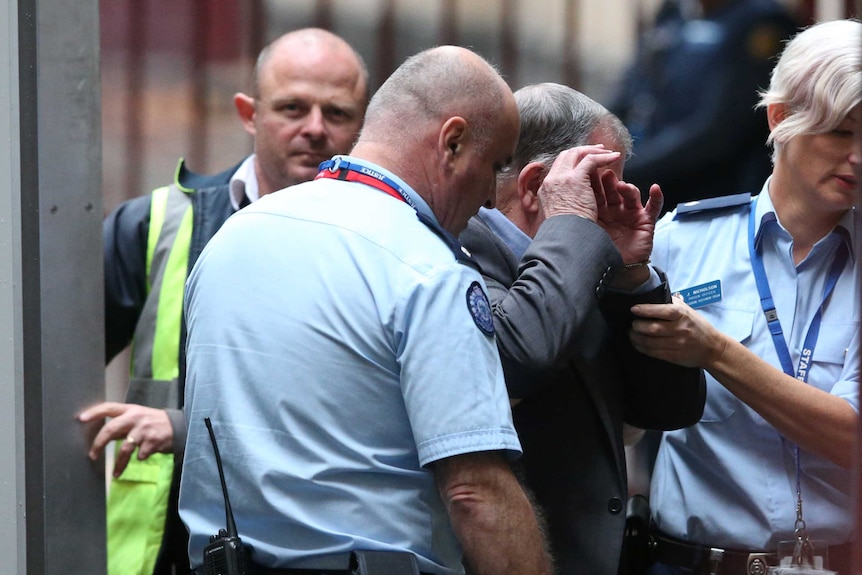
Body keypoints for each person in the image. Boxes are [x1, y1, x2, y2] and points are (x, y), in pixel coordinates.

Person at [178, 46, 554, 575]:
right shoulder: (428, 270)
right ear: (452, 142)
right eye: (493, 166)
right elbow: (475, 492)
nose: (492, 197)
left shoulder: (230, 239)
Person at [78, 28, 369, 575]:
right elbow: (45, 369)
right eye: (292, 107)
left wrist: (183, 428)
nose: (314, 128)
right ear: (248, 113)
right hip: (161, 548)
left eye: (337, 111)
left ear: (364, 124)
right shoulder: (156, 226)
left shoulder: (384, 247)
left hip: (317, 550)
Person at [629, 19, 860, 575]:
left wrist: (713, 350)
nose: (858, 157)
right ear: (781, 118)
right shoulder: (680, 244)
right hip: (688, 562)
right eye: (841, 132)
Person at [457, 82, 706, 575]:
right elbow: (519, 357)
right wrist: (574, 229)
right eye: (602, 186)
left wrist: (634, 278)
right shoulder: (461, 253)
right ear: (535, 187)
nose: (617, 203)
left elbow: (671, 407)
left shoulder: (589, 256)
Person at [608, 0, 799, 212]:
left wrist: (629, 169)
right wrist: (594, 143)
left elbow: (722, 131)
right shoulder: (674, 10)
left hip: (714, 199)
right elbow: (631, 91)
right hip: (653, 182)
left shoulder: (763, 23)